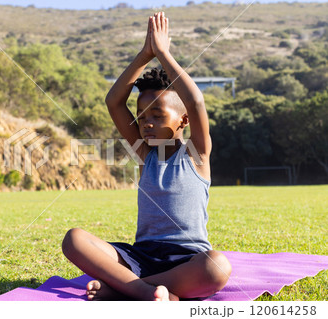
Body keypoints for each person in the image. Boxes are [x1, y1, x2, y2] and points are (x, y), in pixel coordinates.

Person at [62, 12, 232, 301]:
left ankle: (121, 289)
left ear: (184, 120)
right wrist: (144, 54)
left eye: (157, 115)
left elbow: (196, 100)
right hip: (140, 257)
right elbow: (113, 101)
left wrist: (163, 53)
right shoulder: (144, 152)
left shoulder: (197, 154)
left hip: (186, 260)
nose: (146, 123)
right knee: (74, 239)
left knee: (217, 267)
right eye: (141, 116)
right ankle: (147, 291)